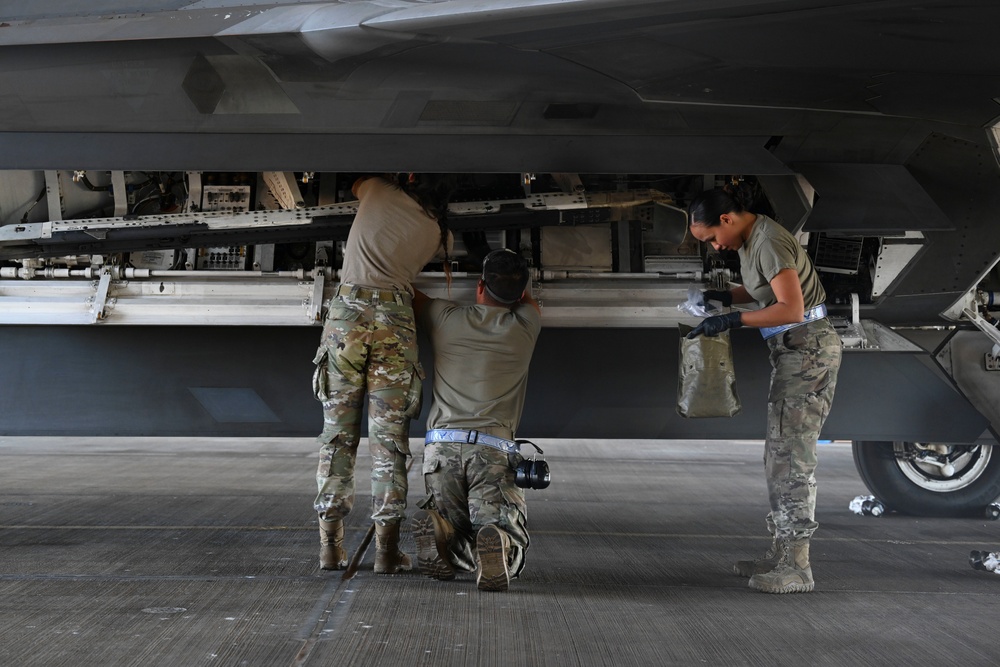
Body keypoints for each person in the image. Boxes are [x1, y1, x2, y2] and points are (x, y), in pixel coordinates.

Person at [686, 183, 842, 594]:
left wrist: (732, 321)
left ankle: (797, 567)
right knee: (779, 454)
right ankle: (782, 552)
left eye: (713, 238)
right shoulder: (750, 241)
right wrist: (721, 296)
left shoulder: (769, 241)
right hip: (793, 352)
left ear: (727, 219)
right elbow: (764, 292)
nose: (716, 248)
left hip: (808, 351)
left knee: (792, 455)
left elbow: (790, 308)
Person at [311, 173, 455, 574]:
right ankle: (387, 553)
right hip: (396, 319)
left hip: (348, 317)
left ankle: (330, 548)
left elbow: (356, 185)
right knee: (390, 443)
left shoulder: (377, 187)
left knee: (337, 435)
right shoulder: (442, 233)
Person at [409, 248, 542, 592]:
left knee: (456, 534)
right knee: (504, 539)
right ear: (520, 292)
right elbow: (528, 299)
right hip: (492, 452)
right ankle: (497, 540)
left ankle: (441, 529)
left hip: (441, 450)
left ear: (480, 286)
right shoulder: (526, 323)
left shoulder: (444, 317)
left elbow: (407, 292)